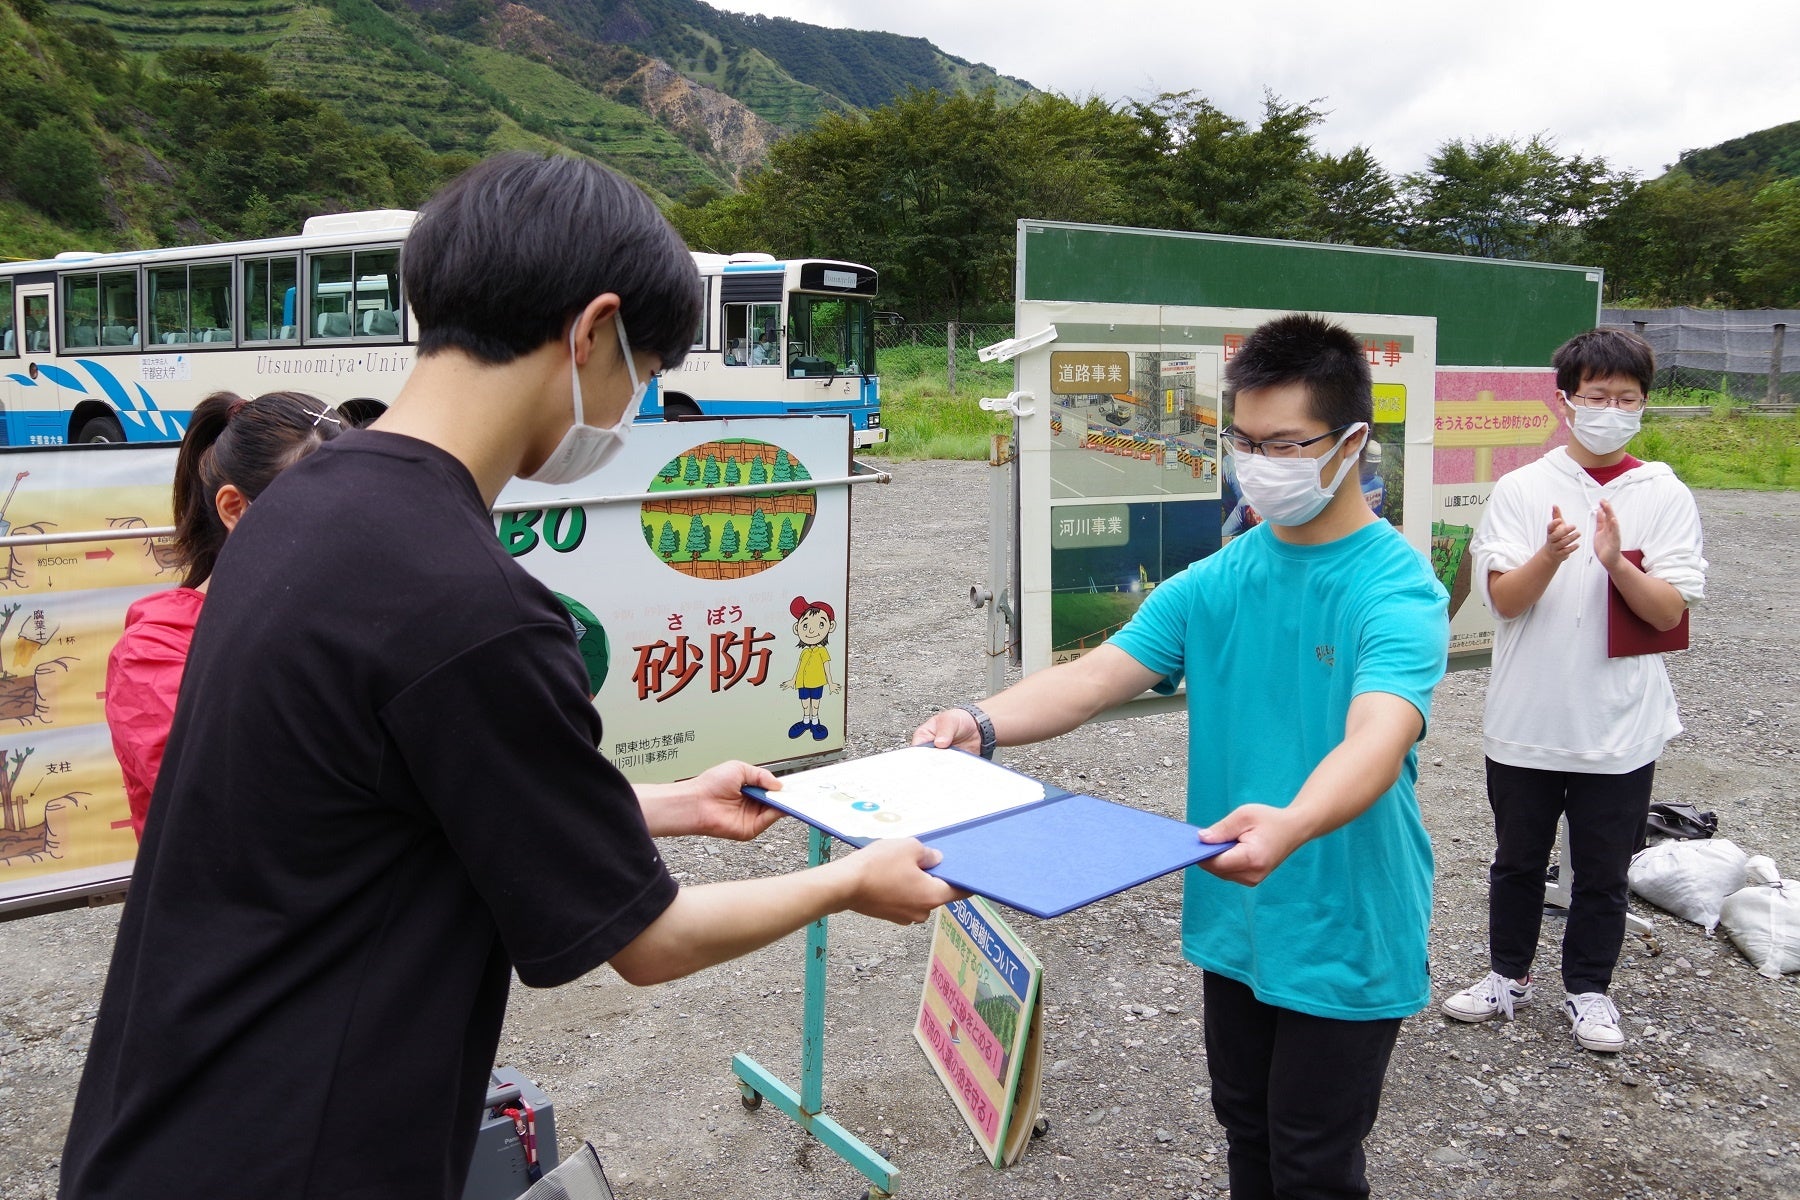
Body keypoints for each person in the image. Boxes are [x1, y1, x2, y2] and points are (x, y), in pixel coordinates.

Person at [61, 152, 962, 1199]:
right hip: (302, 1153)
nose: (639, 402)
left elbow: (405, 785)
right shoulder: (471, 605)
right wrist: (850, 880)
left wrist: (673, 802)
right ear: (591, 331)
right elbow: (651, 943)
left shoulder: (300, 508)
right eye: (648, 367)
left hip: (163, 1117)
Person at [915, 313, 1448, 1200]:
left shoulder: (1395, 588)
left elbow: (1378, 740)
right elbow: (1096, 678)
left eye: (1284, 444)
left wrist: (1293, 821)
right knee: (1245, 1128)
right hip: (1232, 911)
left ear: (1351, 442)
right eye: (1244, 441)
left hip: (1344, 919)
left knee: (1314, 1158)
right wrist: (980, 722)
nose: (1258, 463)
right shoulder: (1221, 575)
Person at [1442, 329, 1706, 1054]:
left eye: (1627, 399)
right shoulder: (1523, 488)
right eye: (1597, 396)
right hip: (1527, 715)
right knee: (1516, 859)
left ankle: (1589, 989)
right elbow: (1505, 601)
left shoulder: (1663, 491)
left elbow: (1668, 609)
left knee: (1603, 871)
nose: (1611, 410)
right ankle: (1506, 976)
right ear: (1566, 402)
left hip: (1622, 723)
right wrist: (1553, 556)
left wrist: (1617, 563)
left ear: (1644, 405)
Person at [105, 389, 343, 839]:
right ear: (235, 508)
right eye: (321, 511)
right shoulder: (157, 651)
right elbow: (234, 807)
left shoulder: (346, 618)